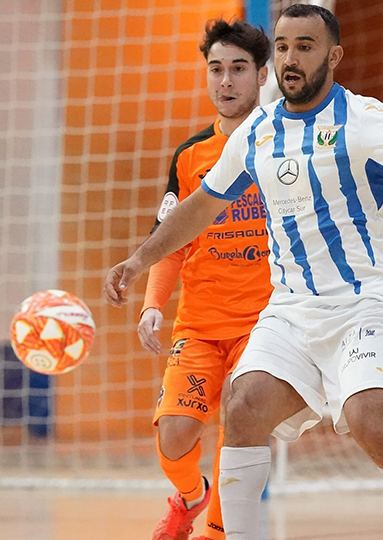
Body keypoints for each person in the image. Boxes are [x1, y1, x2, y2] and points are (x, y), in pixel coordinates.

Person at [105, 4, 383, 540]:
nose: (290, 58)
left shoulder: (364, 118)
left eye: (304, 47)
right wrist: (140, 258)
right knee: (242, 409)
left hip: (364, 301)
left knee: (373, 426)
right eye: (282, 46)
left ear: (333, 56)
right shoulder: (258, 129)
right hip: (289, 310)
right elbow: (201, 206)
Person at [138, 19, 273, 540]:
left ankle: (219, 532)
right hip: (199, 325)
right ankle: (192, 497)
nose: (225, 81)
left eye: (238, 69)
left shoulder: (281, 147)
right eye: (216, 69)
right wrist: (153, 304)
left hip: (264, 326)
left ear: (262, 75)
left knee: (240, 428)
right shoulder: (190, 156)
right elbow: (170, 240)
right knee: (174, 436)